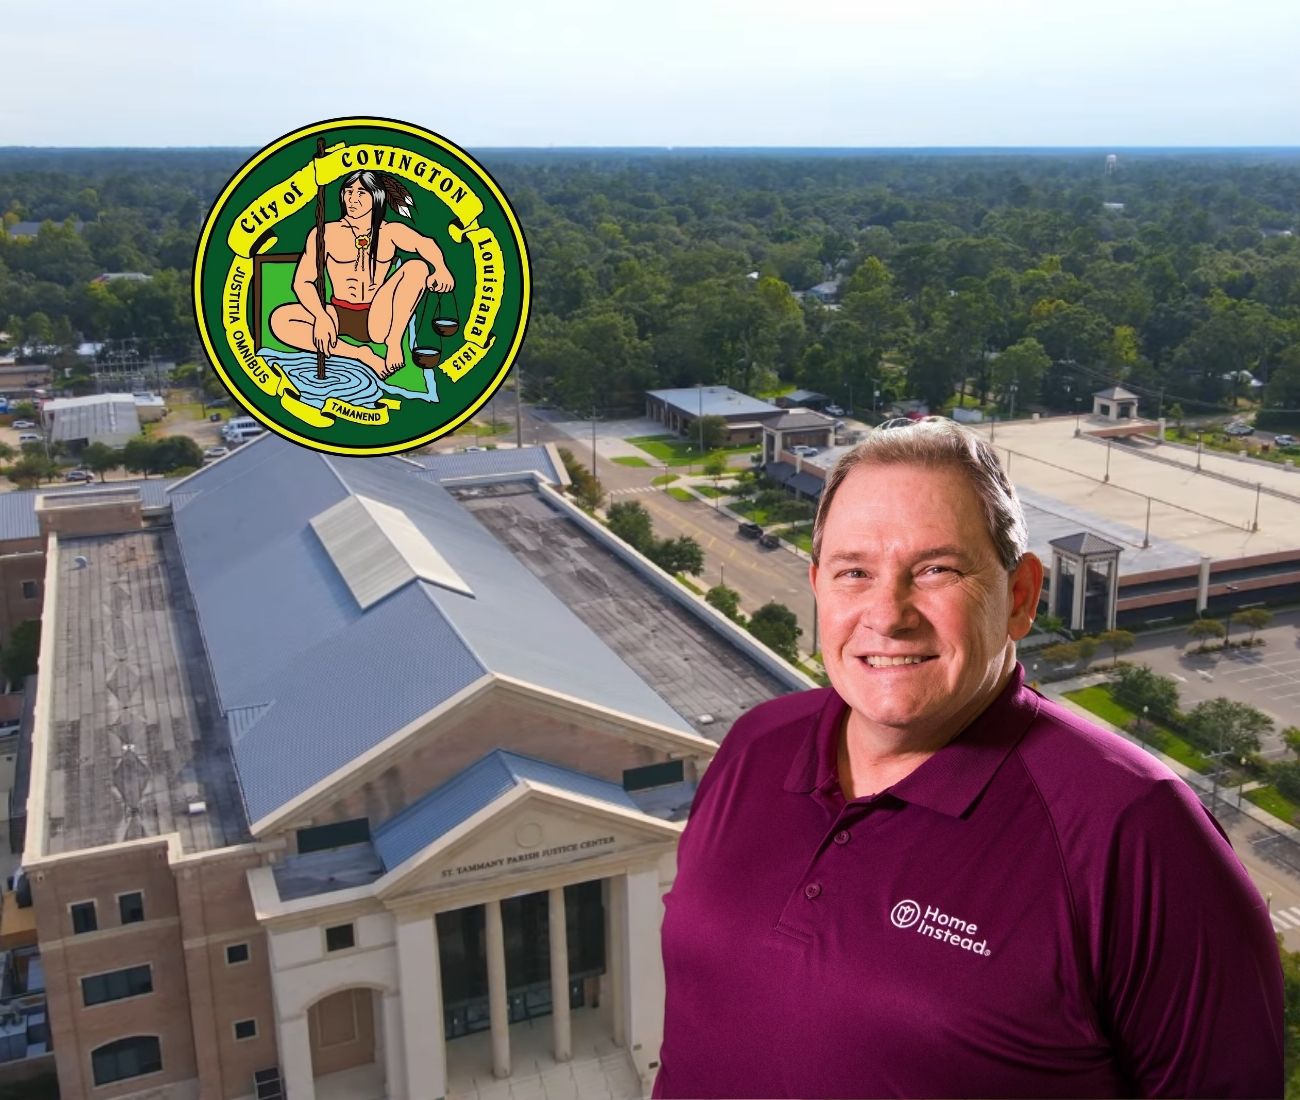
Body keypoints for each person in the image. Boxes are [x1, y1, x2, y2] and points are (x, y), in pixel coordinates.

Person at [654, 417, 1283, 1099]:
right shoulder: (755, 745)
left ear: (1019, 596)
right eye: (854, 572)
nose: (888, 614)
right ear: (818, 586)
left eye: (936, 570)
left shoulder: (1136, 834)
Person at [269, 170, 455, 379]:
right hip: (336, 313)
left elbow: (425, 244)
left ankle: (394, 344)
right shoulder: (325, 233)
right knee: (280, 319)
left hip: (378, 317)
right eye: (348, 192)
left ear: (377, 197)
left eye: (361, 193)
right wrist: (321, 317)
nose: (352, 199)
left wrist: (441, 268)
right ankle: (360, 355)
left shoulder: (390, 231)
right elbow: (302, 282)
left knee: (418, 268)